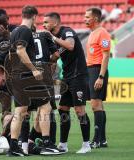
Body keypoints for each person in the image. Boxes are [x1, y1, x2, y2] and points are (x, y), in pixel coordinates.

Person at [7, 5, 57, 156]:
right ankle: (47, 143)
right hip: (27, 75)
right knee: (46, 106)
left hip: (17, 75)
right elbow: (20, 50)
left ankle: (14, 147)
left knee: (20, 111)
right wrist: (33, 69)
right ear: (34, 16)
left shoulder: (14, 31)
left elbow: (10, 55)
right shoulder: (25, 30)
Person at [43, 12, 91, 154]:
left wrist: (52, 37)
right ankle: (63, 144)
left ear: (55, 23)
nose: (44, 25)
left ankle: (86, 144)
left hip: (79, 76)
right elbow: (55, 57)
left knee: (79, 110)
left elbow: (70, 46)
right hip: (67, 77)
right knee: (63, 109)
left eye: (46, 22)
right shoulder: (54, 40)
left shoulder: (67, 31)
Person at [19, 26, 62, 155]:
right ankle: (47, 143)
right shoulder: (44, 35)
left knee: (24, 111)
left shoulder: (21, 38)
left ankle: (25, 143)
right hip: (42, 74)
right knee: (46, 108)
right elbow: (56, 55)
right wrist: (48, 63)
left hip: (26, 76)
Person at [85, 7, 111, 149]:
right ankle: (102, 140)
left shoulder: (103, 33)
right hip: (91, 70)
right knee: (98, 104)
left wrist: (100, 76)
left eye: (87, 17)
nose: (85, 19)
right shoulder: (93, 33)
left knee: (95, 104)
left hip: (97, 70)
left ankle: (96, 139)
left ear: (95, 18)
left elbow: (106, 55)